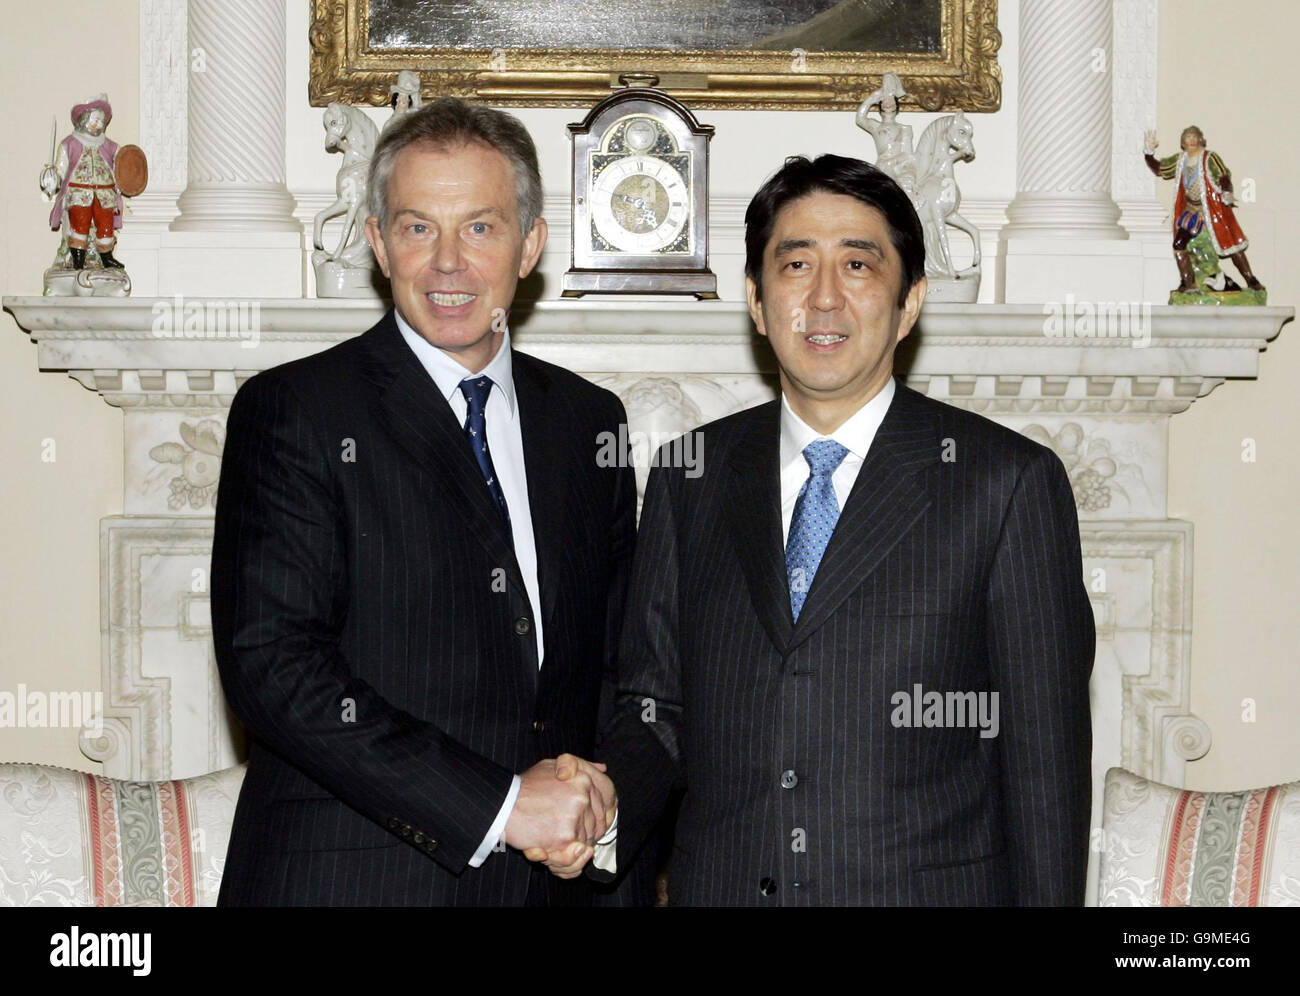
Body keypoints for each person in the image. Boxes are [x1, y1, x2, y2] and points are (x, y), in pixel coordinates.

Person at [542, 154, 1095, 905]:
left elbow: (1044, 767)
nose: (825, 297)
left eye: (859, 265)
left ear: (908, 304)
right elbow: (657, 712)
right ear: (758, 301)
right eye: (796, 264)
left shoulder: (1004, 484)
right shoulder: (689, 476)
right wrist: (597, 818)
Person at [211, 96, 652, 906]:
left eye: (481, 227)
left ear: (531, 245)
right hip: (349, 884)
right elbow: (273, 668)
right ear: (379, 243)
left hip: (552, 886)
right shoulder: (296, 411)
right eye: (418, 228)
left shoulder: (590, 422)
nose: (448, 262)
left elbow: (623, 663)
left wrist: (597, 807)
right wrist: (503, 806)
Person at [1144, 125, 1264, 293]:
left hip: (1213, 211)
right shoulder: (1180, 161)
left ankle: (1251, 280)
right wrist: (1148, 153)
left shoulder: (1210, 158)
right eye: (1187, 137)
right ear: (1183, 143)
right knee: (1179, 244)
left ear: (1201, 140)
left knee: (1231, 244)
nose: (1191, 140)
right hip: (1192, 211)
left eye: (1194, 137)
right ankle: (1188, 283)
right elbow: (1159, 169)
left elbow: (1223, 176)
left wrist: (1227, 192)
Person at [41, 94, 125, 270]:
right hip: (79, 192)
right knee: (80, 223)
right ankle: (78, 258)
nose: (97, 124)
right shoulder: (69, 144)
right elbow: (61, 169)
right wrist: (52, 178)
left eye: (101, 121)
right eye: (94, 119)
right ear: (83, 119)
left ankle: (106, 256)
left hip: (104, 194)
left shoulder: (110, 146)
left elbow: (124, 165)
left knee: (106, 224)